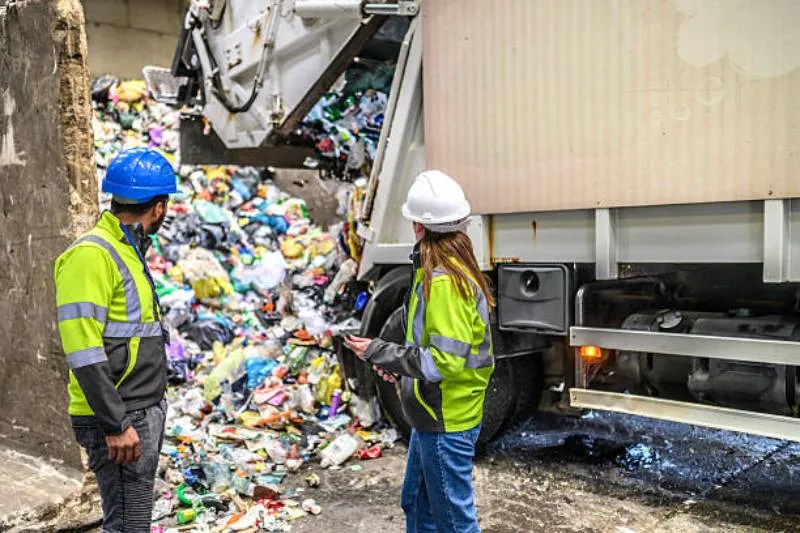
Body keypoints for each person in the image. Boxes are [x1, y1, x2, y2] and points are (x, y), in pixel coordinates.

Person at [346, 170, 495, 533]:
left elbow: (444, 362)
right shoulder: (439, 272)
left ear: (418, 227)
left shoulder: (444, 282)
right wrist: (397, 365)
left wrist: (380, 351)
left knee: (453, 521)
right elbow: (428, 351)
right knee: (417, 503)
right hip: (433, 414)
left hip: (446, 420)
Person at [54, 147, 177, 532]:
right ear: (158, 208)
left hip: (139, 408)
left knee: (131, 521)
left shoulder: (127, 249)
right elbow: (83, 350)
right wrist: (116, 423)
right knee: (126, 526)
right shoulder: (92, 255)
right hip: (121, 415)